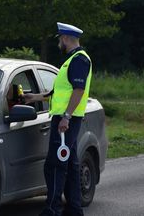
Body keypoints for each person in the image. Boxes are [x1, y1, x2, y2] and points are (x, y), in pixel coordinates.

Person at [24, 22, 92, 216]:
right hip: (65, 118)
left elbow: (78, 91)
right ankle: (74, 209)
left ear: (64, 38)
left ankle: (52, 209)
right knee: (70, 164)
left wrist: (66, 117)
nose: (58, 44)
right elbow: (58, 92)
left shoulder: (79, 60)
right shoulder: (71, 59)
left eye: (59, 40)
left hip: (66, 120)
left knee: (55, 165)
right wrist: (34, 98)